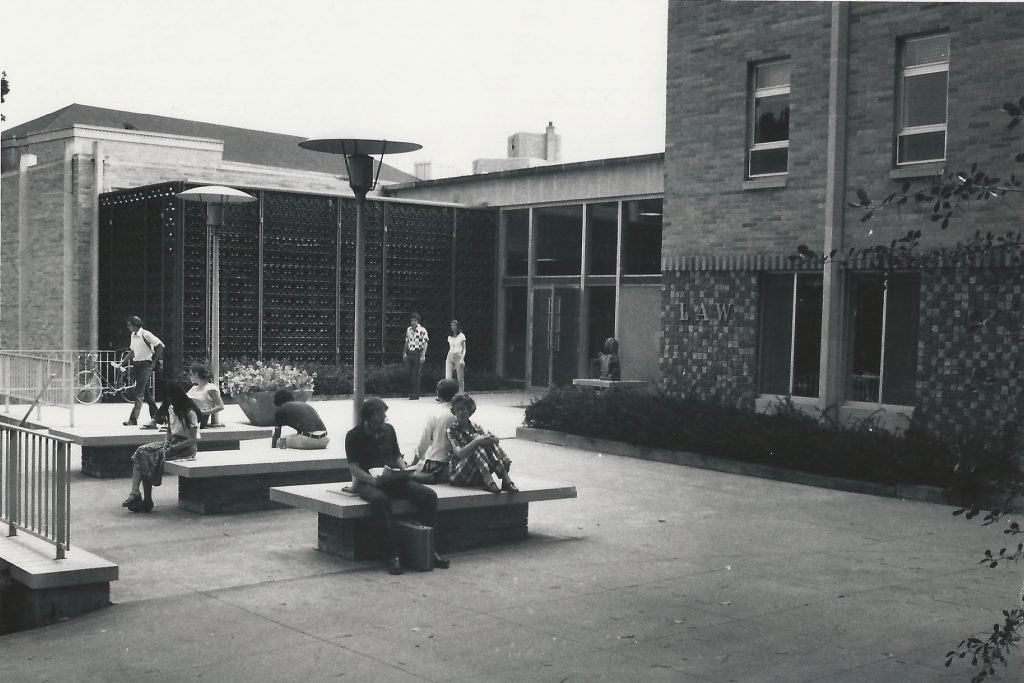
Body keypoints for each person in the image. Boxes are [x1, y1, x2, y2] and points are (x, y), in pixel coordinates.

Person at [346, 397, 449, 574]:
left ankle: (430, 548)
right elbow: (354, 469)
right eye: (376, 421)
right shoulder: (353, 436)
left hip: (393, 477)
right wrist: (373, 480)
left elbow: (396, 456)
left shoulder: (389, 430)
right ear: (367, 419)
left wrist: (405, 471)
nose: (380, 425)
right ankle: (392, 555)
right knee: (380, 501)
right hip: (369, 481)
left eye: (383, 419)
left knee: (428, 495)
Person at [122, 383, 200, 513]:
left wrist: (174, 448)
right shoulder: (171, 409)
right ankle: (135, 493)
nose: (170, 401)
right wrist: (167, 441)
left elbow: (192, 439)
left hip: (186, 447)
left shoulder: (190, 413)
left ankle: (145, 499)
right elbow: (169, 430)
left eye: (171, 398)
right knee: (142, 451)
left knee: (148, 456)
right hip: (173, 441)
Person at [447, 393, 518, 494]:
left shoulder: (476, 427)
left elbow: (493, 443)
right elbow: (459, 453)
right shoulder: (452, 429)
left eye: (463, 409)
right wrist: (476, 441)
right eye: (457, 410)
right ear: (454, 411)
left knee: (486, 441)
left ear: (470, 410)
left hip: (476, 473)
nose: (460, 412)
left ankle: (505, 479)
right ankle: (490, 480)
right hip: (458, 474)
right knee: (477, 443)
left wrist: (492, 439)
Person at [411, 378, 460, 484]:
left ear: (438, 393)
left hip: (436, 464)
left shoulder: (434, 413)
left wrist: (415, 461)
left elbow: (424, 442)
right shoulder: (459, 413)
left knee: (412, 470)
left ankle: (423, 476)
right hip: (455, 465)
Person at [123, 315, 164, 428]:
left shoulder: (146, 334)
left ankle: (133, 419)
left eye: (129, 325)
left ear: (135, 325)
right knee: (146, 393)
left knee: (139, 392)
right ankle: (158, 417)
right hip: (137, 364)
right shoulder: (133, 335)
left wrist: (154, 362)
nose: (128, 327)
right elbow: (132, 351)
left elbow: (160, 346)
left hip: (146, 364)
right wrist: (123, 362)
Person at [187, 364, 225, 428]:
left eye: (191, 374)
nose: (189, 376)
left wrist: (205, 413)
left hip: (200, 415)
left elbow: (221, 406)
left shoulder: (210, 388)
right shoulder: (194, 388)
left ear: (196, 374)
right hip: (189, 412)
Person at [402, 312, 428, 400]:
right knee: (407, 372)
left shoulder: (422, 330)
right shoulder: (409, 329)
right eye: (412, 320)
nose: (413, 322)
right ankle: (409, 391)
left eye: (414, 321)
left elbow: (425, 343)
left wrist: (423, 355)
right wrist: (404, 352)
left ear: (418, 321)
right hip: (410, 352)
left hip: (418, 352)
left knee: (415, 374)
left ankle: (415, 394)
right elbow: (407, 341)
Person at [445, 320, 467, 393]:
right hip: (450, 355)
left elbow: (464, 349)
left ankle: (461, 393)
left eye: (454, 325)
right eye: (452, 325)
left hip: (458, 355)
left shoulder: (461, 336)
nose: (453, 327)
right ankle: (447, 394)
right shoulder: (450, 337)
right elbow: (450, 347)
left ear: (457, 326)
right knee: (448, 377)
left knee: (460, 378)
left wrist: (462, 359)